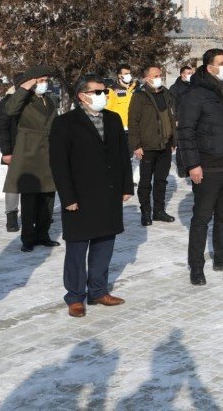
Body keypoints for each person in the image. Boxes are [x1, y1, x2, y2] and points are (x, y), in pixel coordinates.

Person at [49, 74, 134, 317]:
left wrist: (126, 186)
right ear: (82, 96)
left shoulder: (113, 119)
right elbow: (59, 163)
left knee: (104, 244)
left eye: (104, 92)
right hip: (80, 196)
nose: (103, 96)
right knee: (77, 248)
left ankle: (98, 290)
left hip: (108, 194)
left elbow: (121, 156)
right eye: (97, 92)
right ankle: (75, 297)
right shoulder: (65, 123)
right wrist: (68, 197)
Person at [176, 49, 223, 286]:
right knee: (201, 219)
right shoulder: (195, 95)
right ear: (209, 68)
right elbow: (185, 132)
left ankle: (222, 256)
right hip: (207, 168)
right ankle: (196, 266)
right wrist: (193, 164)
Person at [3, 65, 60, 252]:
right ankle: (28, 238)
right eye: (41, 81)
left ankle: (43, 234)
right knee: (30, 199)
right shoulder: (23, 99)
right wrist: (24, 88)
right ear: (32, 82)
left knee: (48, 198)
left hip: (49, 152)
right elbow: (10, 110)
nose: (45, 84)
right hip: (29, 152)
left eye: (46, 80)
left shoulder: (49, 100)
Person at [128, 65, 177, 225]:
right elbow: (133, 122)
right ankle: (146, 212)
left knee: (161, 180)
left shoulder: (166, 93)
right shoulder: (140, 96)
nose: (159, 78)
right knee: (145, 181)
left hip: (165, 144)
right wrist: (136, 145)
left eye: (160, 75)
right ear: (146, 78)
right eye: (155, 75)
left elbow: (171, 117)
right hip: (147, 146)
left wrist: (173, 140)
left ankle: (159, 210)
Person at [0, 85, 21, 232]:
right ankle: (11, 215)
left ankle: (40, 214)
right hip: (14, 150)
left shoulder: (32, 100)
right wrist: (6, 152)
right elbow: (2, 128)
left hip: (34, 149)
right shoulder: (7, 102)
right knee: (14, 183)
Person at [105, 64, 137, 131]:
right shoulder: (111, 90)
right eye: (126, 74)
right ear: (120, 75)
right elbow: (107, 110)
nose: (128, 75)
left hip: (135, 127)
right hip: (120, 128)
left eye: (129, 73)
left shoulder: (136, 88)